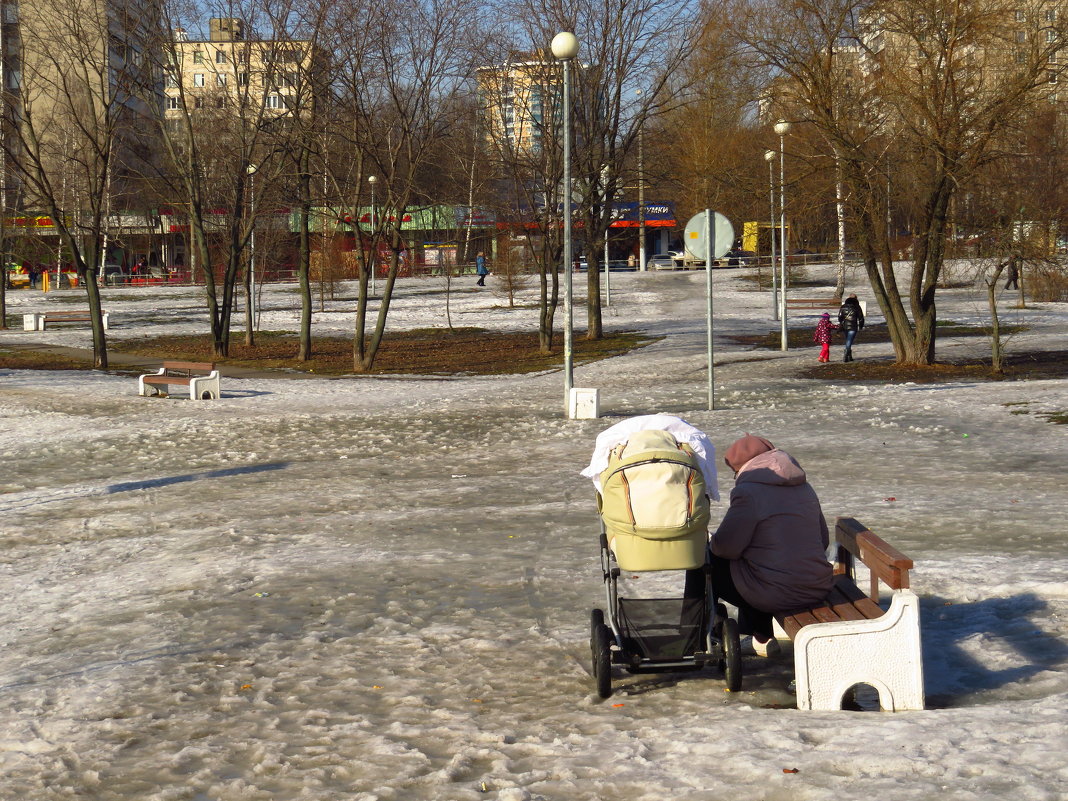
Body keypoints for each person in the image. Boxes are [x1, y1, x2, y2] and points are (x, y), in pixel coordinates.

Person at [707, 435, 833, 656]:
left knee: (707, 562)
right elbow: (823, 540)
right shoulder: (804, 487)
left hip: (778, 592)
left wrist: (711, 541)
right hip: (816, 586)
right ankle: (760, 637)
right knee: (757, 563)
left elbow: (726, 548)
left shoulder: (748, 493)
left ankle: (705, 636)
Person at [837, 294, 865, 362]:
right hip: (853, 326)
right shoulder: (857, 307)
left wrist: (841, 322)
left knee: (848, 340)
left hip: (845, 326)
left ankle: (849, 356)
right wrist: (860, 326)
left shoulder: (843, 306)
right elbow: (861, 318)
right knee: (849, 340)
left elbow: (840, 317)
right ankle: (846, 354)